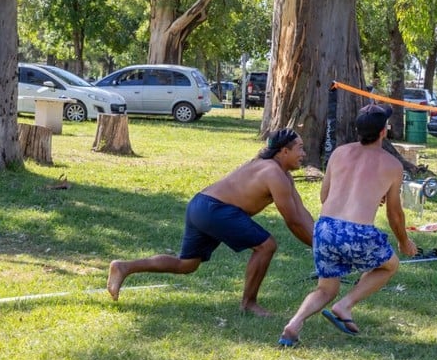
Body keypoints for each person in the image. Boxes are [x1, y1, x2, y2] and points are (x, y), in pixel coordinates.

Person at [107, 128, 315, 317]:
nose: (304, 154)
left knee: (186, 264)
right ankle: (249, 303)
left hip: (201, 205)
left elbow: (301, 212)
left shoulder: (280, 174)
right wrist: (320, 248)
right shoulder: (273, 173)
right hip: (215, 209)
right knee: (266, 246)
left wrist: (322, 239)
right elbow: (293, 221)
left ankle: (124, 267)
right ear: (283, 151)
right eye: (300, 148)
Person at [278, 103, 417, 347]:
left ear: (358, 130)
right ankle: (345, 305)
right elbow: (395, 214)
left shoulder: (339, 153)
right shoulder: (392, 165)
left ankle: (294, 323)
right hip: (357, 232)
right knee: (389, 266)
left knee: (326, 288)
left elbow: (324, 196)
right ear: (384, 131)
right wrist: (404, 241)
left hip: (324, 228)